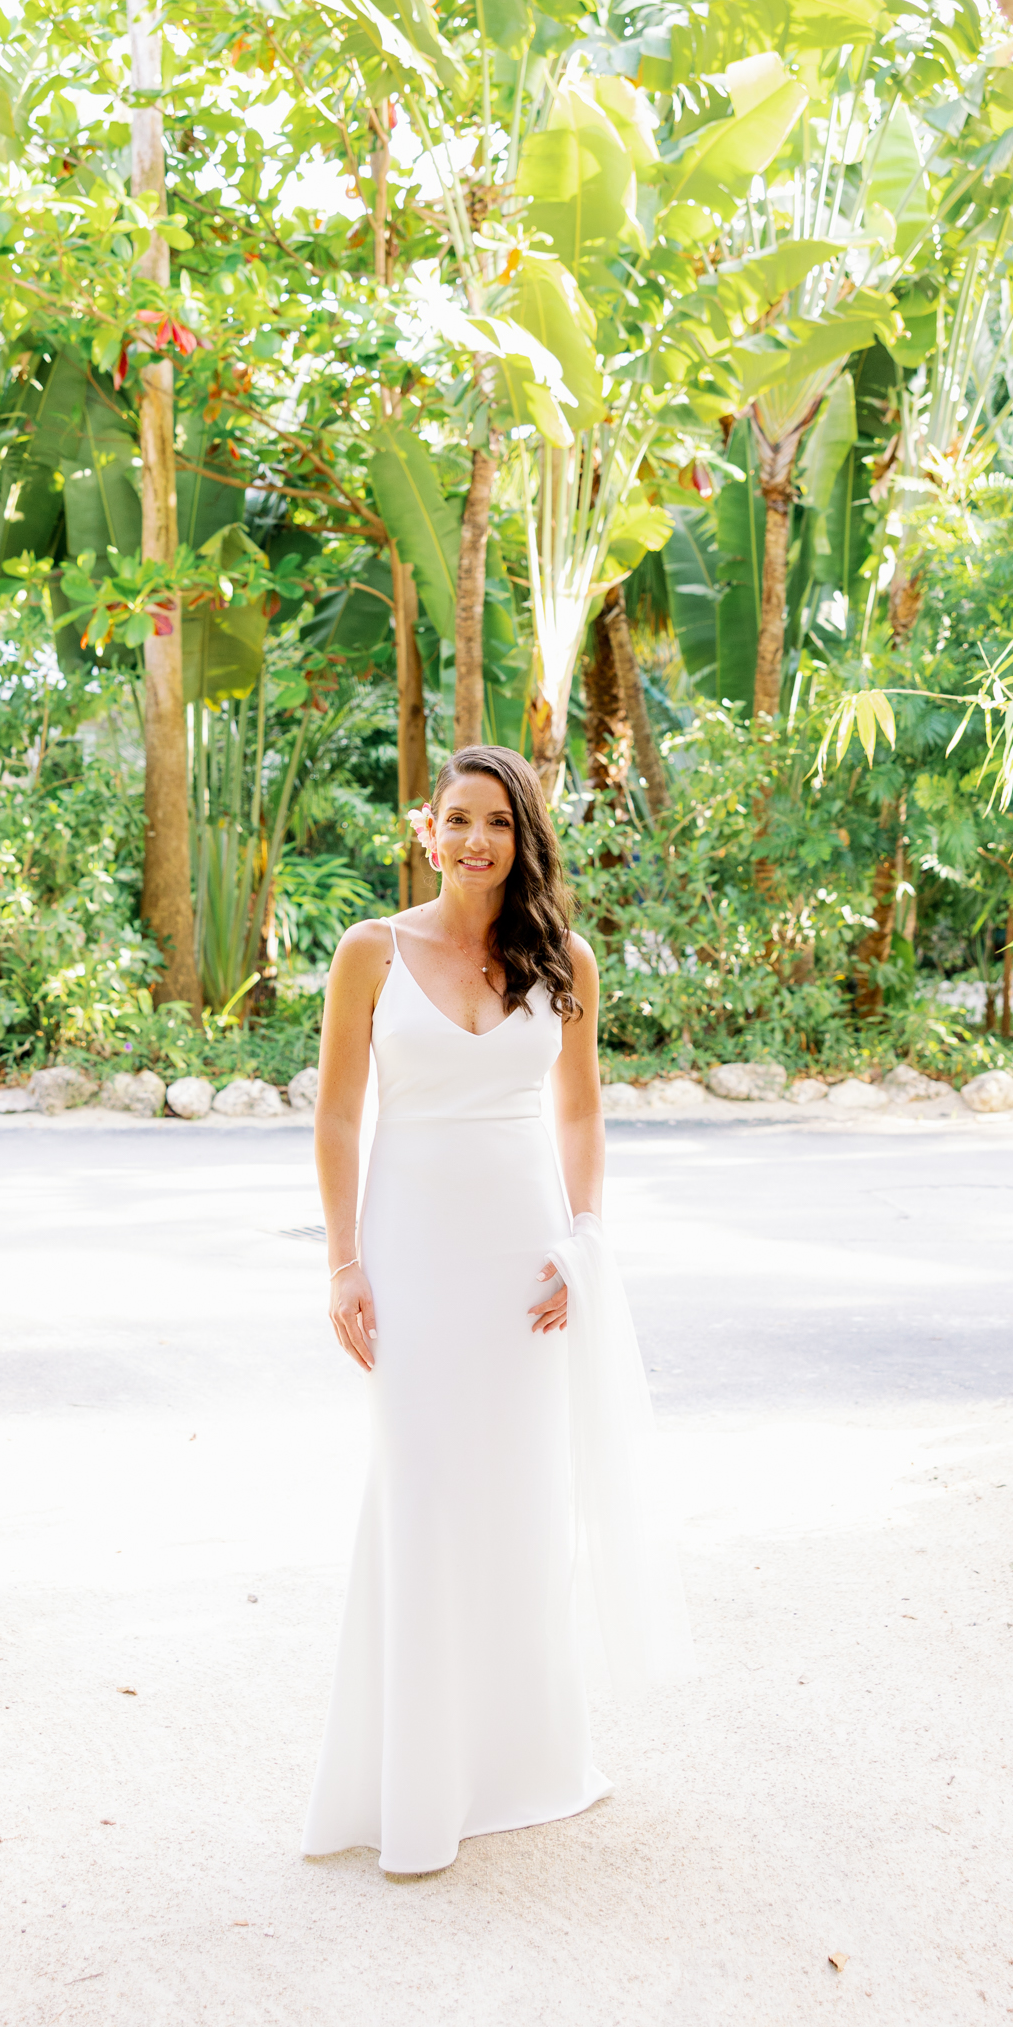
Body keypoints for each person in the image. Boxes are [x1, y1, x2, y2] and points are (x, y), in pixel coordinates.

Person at [300, 744, 635, 1876]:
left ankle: (516, 1761)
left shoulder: (562, 959)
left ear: (520, 834)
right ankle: (407, 1777)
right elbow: (339, 1117)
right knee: (423, 1485)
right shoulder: (369, 953)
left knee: (517, 1489)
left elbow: (581, 1116)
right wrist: (343, 1262)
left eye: (497, 820)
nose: (476, 838)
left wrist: (578, 1241)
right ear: (424, 830)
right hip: (410, 1244)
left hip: (521, 1254)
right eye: (458, 819)